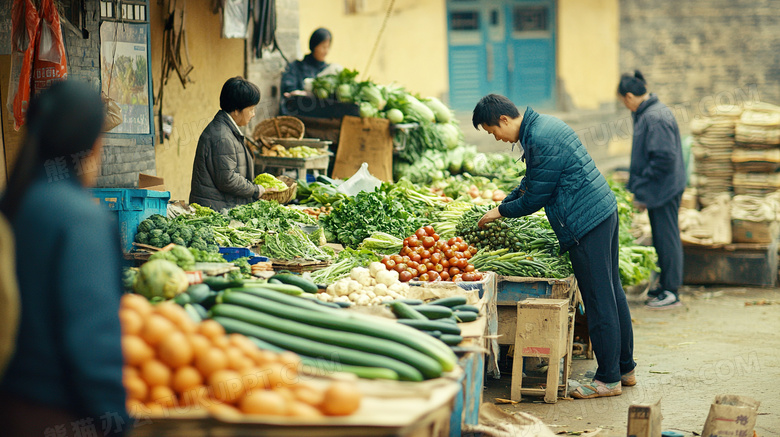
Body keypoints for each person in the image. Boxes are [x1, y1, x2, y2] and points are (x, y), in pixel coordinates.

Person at [473, 94, 636, 399]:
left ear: (505, 120)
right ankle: (624, 369)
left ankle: (608, 380)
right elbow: (532, 181)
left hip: (585, 222)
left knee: (599, 301)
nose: (495, 138)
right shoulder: (541, 127)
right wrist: (505, 201)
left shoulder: (540, 138)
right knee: (611, 291)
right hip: (600, 212)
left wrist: (500, 212)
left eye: (493, 131)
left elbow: (536, 197)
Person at [0, 81, 129, 435]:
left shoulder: (12, 203)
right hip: (59, 412)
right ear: (92, 144)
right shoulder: (80, 219)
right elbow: (92, 340)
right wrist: (116, 419)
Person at [618, 71, 686, 309]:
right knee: (661, 237)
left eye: (624, 102)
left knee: (667, 238)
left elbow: (664, 158)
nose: (626, 107)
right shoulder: (649, 113)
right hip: (661, 187)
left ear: (629, 96)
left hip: (664, 188)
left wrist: (641, 183)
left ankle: (671, 291)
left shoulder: (654, 116)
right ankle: (665, 286)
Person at [190, 76, 273, 211]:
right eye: (251, 109)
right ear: (236, 110)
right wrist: (256, 190)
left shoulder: (227, 130)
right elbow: (227, 179)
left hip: (223, 207)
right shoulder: (222, 136)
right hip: (216, 212)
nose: (253, 114)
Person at [279, 28, 335, 114]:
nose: (326, 51)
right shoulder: (295, 67)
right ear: (314, 46)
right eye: (323, 47)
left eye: (328, 47)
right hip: (299, 114)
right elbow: (289, 89)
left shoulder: (329, 71)